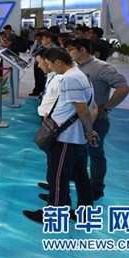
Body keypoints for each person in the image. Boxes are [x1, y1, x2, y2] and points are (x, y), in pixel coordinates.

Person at [23, 48, 99, 223]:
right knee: (81, 176)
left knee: (58, 178)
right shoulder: (80, 74)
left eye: (50, 64)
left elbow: (82, 109)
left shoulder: (71, 78)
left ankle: (53, 214)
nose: (49, 67)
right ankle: (84, 213)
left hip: (66, 138)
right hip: (75, 137)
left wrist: (89, 130)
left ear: (58, 62)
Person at [66, 37, 129, 201]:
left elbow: (124, 88)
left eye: (71, 49)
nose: (68, 52)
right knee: (76, 152)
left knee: (95, 154)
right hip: (77, 119)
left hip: (97, 120)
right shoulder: (75, 67)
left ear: (82, 50)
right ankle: (75, 182)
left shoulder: (102, 67)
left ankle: (96, 187)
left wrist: (107, 107)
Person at [34, 48, 65, 200]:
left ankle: (56, 197)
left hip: (55, 124)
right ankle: (52, 184)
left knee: (56, 161)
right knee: (51, 158)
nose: (40, 66)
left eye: (41, 63)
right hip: (48, 120)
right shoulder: (52, 76)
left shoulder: (60, 79)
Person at [29, 32, 58, 97]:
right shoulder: (42, 47)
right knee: (39, 79)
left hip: (48, 70)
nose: (41, 41)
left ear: (49, 39)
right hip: (40, 66)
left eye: (43, 39)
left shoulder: (54, 49)